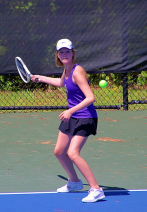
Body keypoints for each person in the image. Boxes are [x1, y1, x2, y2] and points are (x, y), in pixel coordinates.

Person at [31, 39, 105, 203]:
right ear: (58, 54)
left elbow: (91, 97)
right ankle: (75, 182)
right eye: (61, 52)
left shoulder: (77, 72)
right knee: (59, 152)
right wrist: (40, 78)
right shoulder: (67, 70)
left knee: (72, 153)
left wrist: (70, 111)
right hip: (72, 116)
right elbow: (60, 83)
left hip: (85, 116)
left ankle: (96, 190)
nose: (64, 54)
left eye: (67, 51)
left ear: (73, 53)